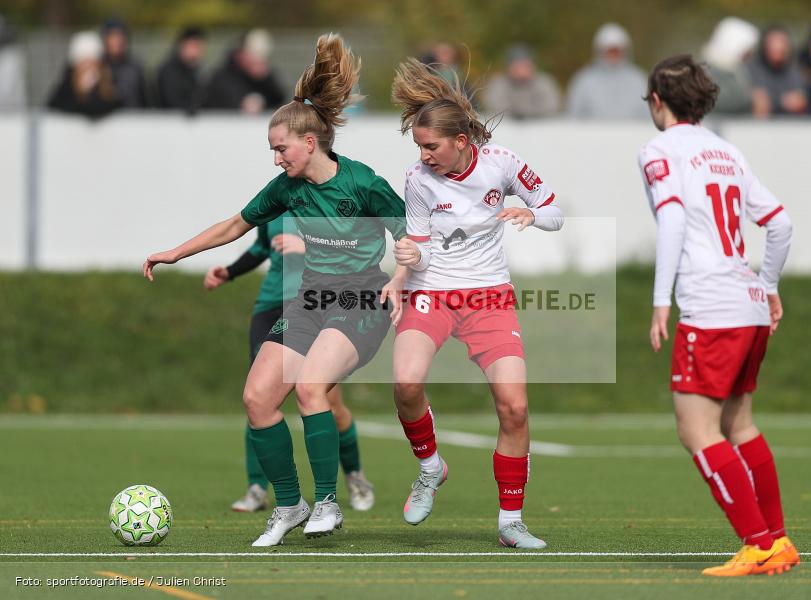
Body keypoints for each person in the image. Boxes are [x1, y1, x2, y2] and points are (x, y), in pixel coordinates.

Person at [144, 33, 408, 546]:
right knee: (257, 397)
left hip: (361, 302)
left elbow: (411, 237)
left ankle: (328, 502)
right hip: (310, 302)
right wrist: (175, 253)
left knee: (311, 388)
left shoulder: (363, 183)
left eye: (279, 148)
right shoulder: (287, 188)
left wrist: (403, 280)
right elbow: (235, 224)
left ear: (309, 142)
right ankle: (289, 505)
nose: (275, 159)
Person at [390, 58, 563, 549]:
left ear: (462, 141)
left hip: (489, 296)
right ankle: (430, 467)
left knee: (515, 408)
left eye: (431, 146)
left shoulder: (502, 162)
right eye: (419, 146)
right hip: (432, 291)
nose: (423, 156)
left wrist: (529, 213)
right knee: (405, 383)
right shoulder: (417, 179)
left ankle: (511, 522)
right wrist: (409, 258)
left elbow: (554, 212)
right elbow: (420, 243)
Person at [638, 55, 797, 576]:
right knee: (738, 424)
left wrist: (661, 299)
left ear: (657, 101)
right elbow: (780, 224)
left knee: (697, 430)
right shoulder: (727, 150)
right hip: (748, 301)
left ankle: (758, 544)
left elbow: (673, 219)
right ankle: (778, 540)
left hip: (711, 305)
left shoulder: (659, 149)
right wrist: (768, 285)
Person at [203, 219, 375, 514]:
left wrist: (307, 246)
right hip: (270, 306)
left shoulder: (328, 203)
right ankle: (257, 488)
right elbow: (261, 247)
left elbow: (359, 248)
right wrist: (229, 272)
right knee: (258, 397)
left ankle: (355, 476)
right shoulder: (273, 204)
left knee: (329, 402)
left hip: (315, 304)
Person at [566, 23, 647, 119]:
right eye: (609, 51)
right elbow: (573, 114)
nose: (613, 55)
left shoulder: (638, 80)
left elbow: (647, 114)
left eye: (616, 51)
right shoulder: (584, 80)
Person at [203, 29, 285, 114]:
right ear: (241, 53)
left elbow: (279, 100)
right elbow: (220, 102)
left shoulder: (266, 76)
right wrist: (241, 104)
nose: (257, 60)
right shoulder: (221, 77)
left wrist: (265, 80)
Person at [47, 30, 121, 119]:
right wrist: (80, 94)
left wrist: (93, 94)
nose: (88, 65)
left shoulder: (108, 81)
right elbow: (53, 108)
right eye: (84, 61)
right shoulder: (67, 84)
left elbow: (114, 107)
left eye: (92, 60)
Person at [481, 44, 561, 120]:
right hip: (508, 126)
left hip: (540, 125)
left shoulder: (544, 82)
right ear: (508, 67)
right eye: (516, 66)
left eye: (524, 65)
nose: (520, 70)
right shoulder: (499, 83)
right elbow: (492, 106)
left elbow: (551, 106)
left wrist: (527, 112)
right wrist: (517, 113)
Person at [700, 17, 758, 116]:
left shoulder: (735, 68)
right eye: (747, 50)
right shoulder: (709, 70)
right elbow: (715, 101)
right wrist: (751, 100)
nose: (749, 55)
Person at [747, 25, 807, 117]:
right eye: (773, 42)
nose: (777, 46)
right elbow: (759, 102)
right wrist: (782, 101)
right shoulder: (752, 69)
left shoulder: (795, 69)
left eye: (782, 42)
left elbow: (799, 100)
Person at [157, 26, 206, 113]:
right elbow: (172, 102)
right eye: (194, 46)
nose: (198, 50)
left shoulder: (196, 72)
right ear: (182, 45)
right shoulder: (169, 72)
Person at [101, 18, 148, 108]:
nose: (117, 40)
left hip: (132, 115)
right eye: (112, 36)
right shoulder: (98, 66)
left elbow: (145, 98)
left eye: (120, 36)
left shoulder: (135, 67)